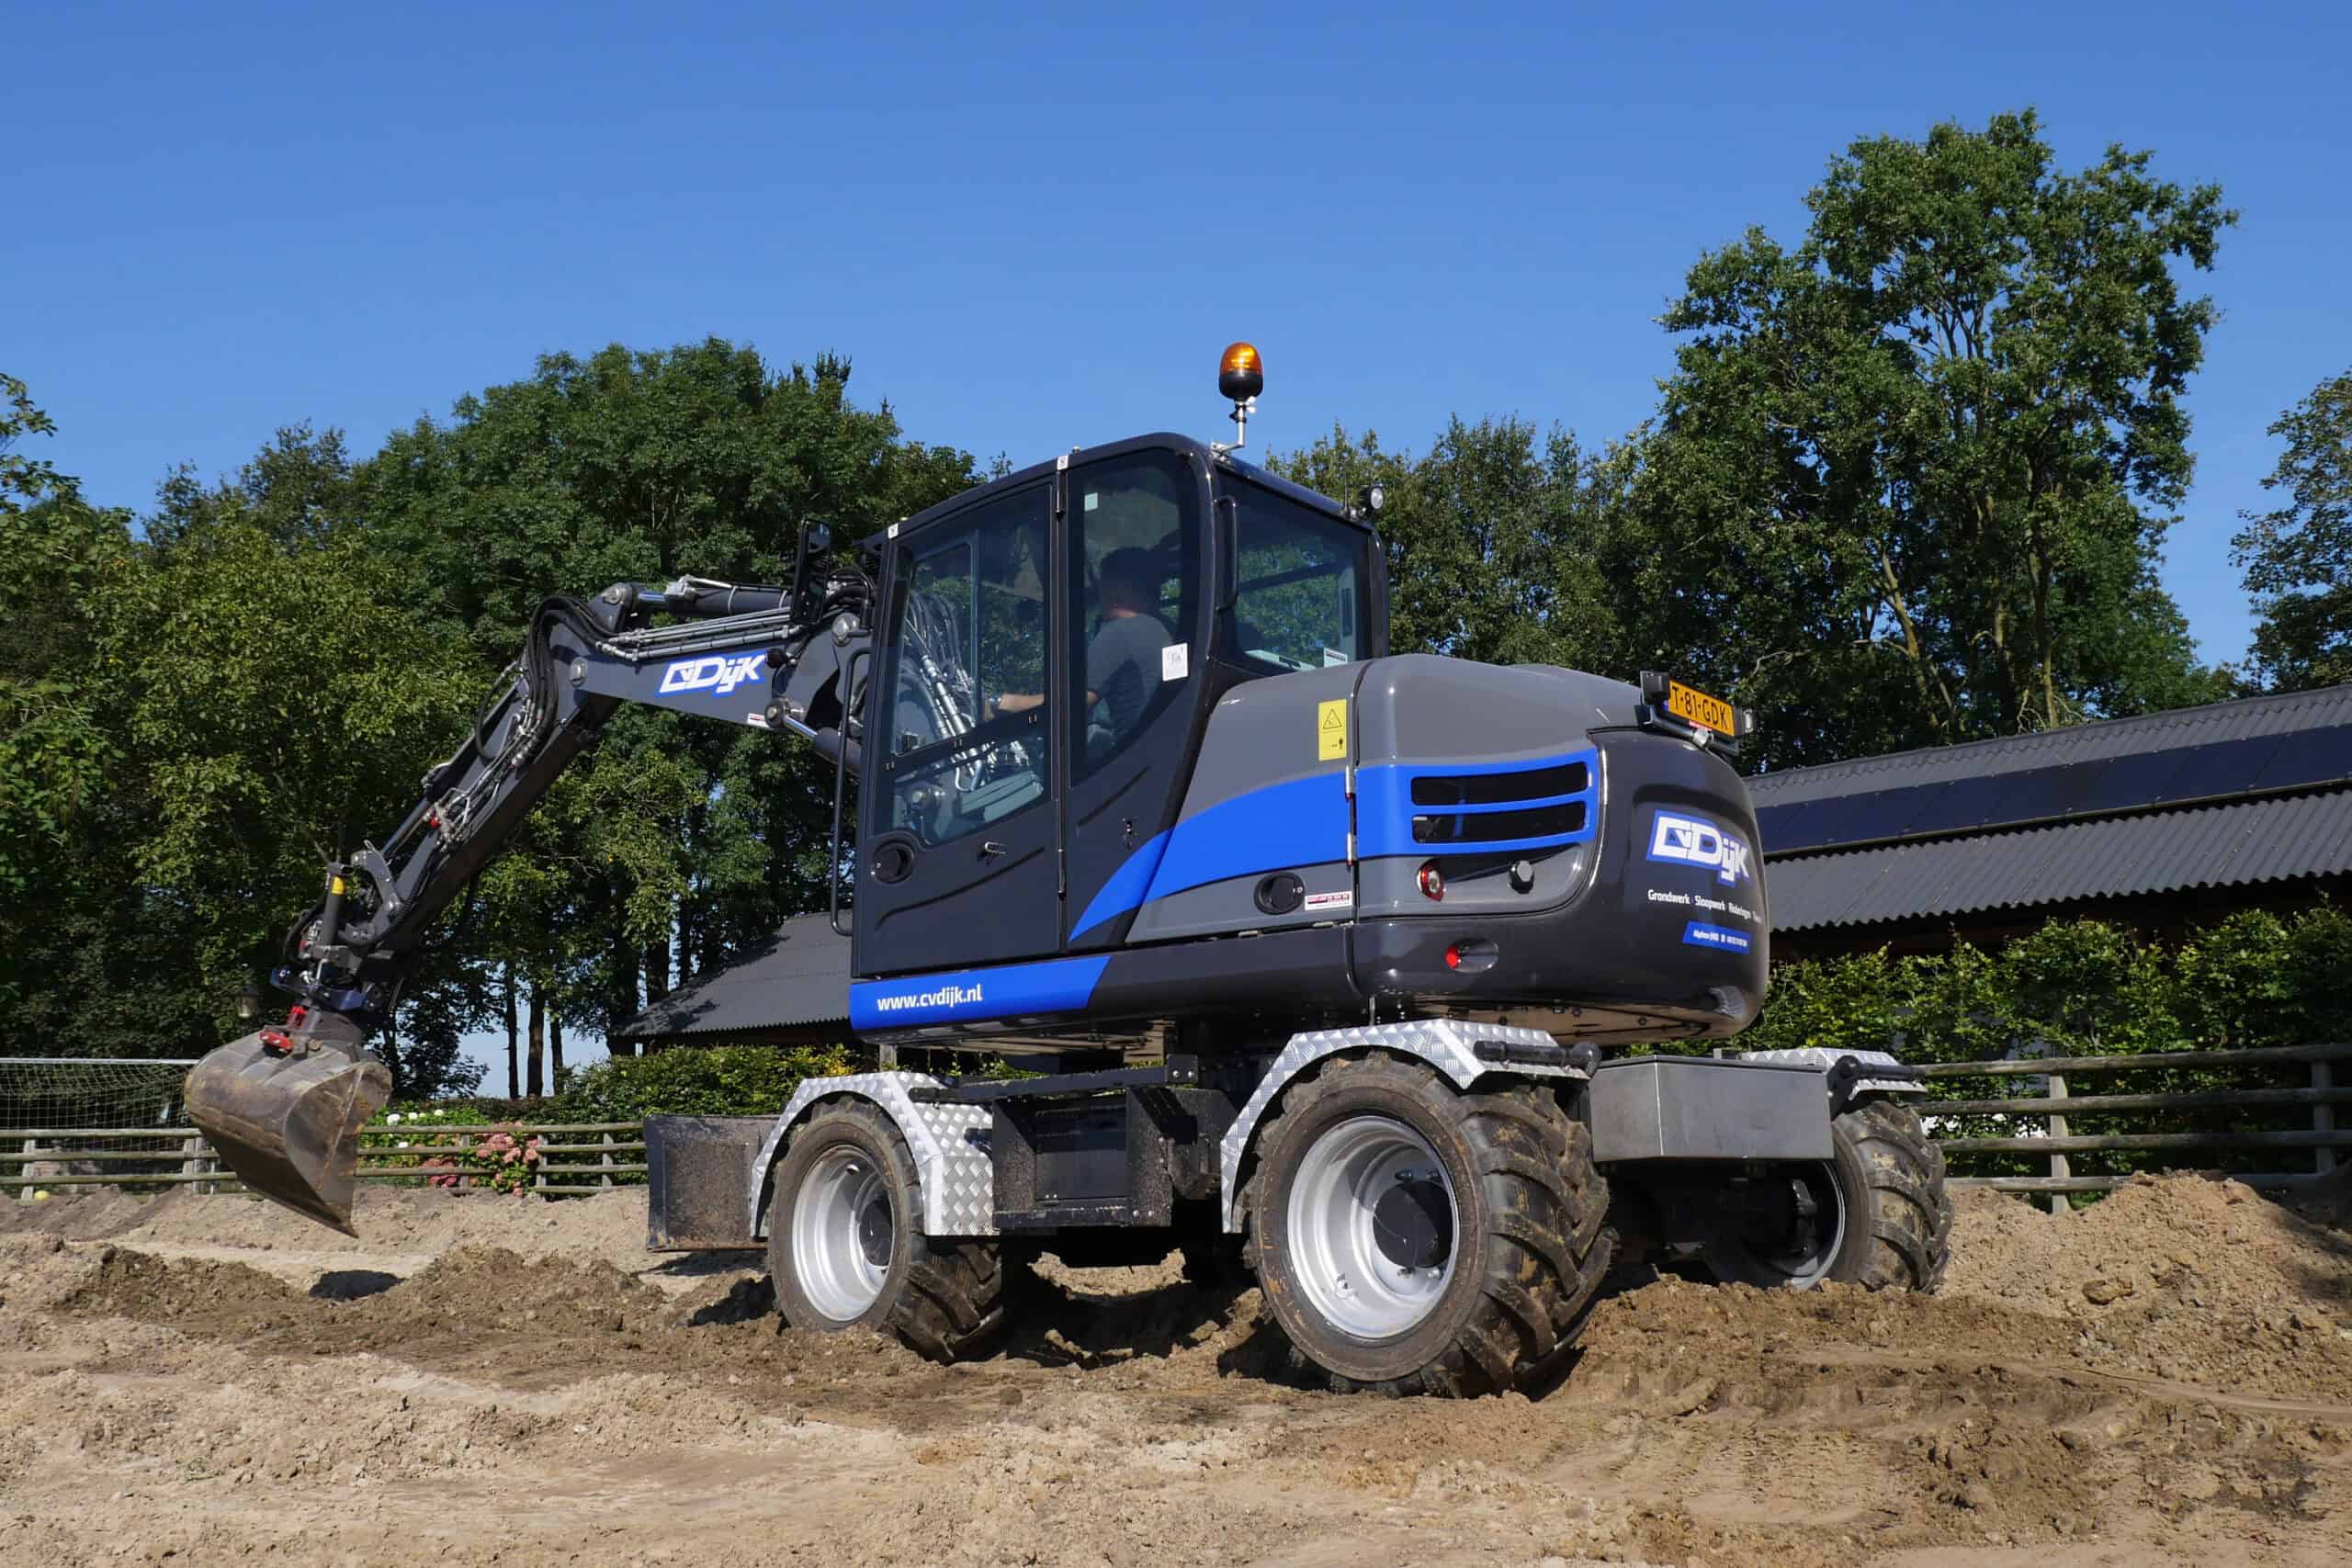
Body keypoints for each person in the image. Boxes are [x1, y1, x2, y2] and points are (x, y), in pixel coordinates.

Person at [991, 547, 1170, 741]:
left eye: (1101, 587)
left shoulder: (1120, 632)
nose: (1098, 598)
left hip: (1136, 754)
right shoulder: (1165, 629)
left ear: (1115, 591)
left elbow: (1068, 707)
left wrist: (1000, 703)